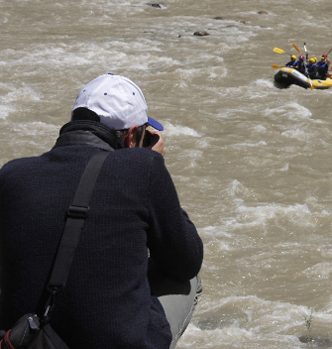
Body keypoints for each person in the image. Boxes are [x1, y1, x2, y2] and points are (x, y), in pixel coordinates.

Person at [0, 73, 204, 349]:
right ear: (133, 136)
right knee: (189, 279)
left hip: (29, 340)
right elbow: (186, 259)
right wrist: (152, 163)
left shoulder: (12, 175)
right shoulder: (143, 168)